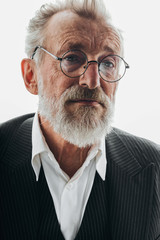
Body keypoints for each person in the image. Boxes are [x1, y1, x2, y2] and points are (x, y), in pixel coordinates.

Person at [0, 0, 160, 239]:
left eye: (108, 63)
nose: (93, 81)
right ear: (31, 76)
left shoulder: (154, 167)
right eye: (72, 58)